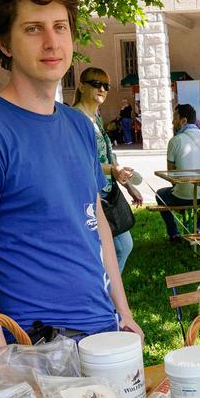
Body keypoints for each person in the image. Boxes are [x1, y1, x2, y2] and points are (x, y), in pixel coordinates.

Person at [0, 0, 142, 350]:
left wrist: (124, 313)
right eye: (33, 29)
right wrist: (3, 367)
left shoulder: (80, 125)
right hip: (35, 345)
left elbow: (95, 219)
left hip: (102, 333)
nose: (52, 43)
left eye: (60, 27)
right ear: (3, 42)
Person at [72, 66, 143, 273]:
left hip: (107, 192)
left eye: (105, 85)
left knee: (119, 247)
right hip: (90, 195)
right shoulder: (76, 118)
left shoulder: (96, 117)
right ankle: (104, 295)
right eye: (96, 84)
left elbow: (109, 155)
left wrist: (128, 185)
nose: (102, 89)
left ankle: (107, 295)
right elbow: (80, 162)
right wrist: (112, 170)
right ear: (81, 86)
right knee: (110, 249)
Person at [155, 103, 200, 242]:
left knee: (160, 194)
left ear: (183, 121)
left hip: (182, 195)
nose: (172, 122)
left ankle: (174, 233)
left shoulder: (175, 141)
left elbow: (171, 176)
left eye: (175, 118)